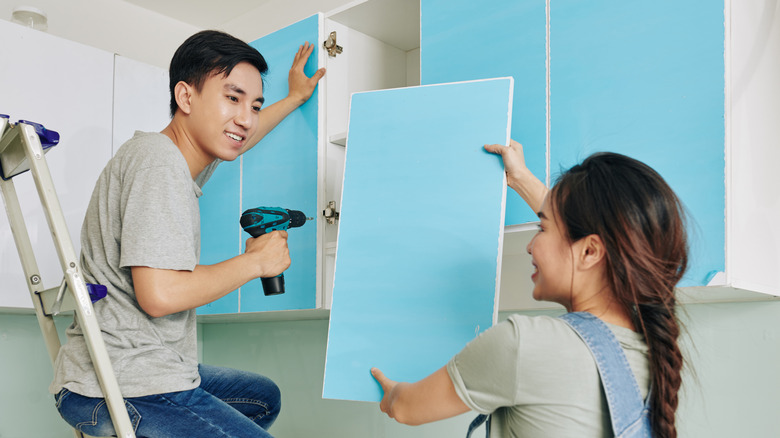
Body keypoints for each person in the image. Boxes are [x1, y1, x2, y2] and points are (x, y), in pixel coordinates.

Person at [50, 30, 325, 437]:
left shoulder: (174, 156)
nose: (246, 117)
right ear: (186, 97)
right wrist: (255, 262)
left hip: (130, 368)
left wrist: (295, 98)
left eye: (254, 104)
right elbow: (160, 295)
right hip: (118, 383)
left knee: (262, 397)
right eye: (232, 98)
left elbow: (242, 135)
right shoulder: (159, 166)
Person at [372, 140, 688, 438]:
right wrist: (521, 178)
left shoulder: (523, 345)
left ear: (591, 252)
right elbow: (584, 232)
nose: (530, 245)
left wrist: (389, 392)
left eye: (541, 228)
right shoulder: (651, 353)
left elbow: (405, 407)